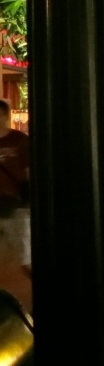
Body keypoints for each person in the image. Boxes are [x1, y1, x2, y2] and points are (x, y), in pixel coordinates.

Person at [0, 98, 30, 275]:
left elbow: (29, 170)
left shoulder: (19, 140)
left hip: (16, 203)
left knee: (24, 256)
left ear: (5, 115)